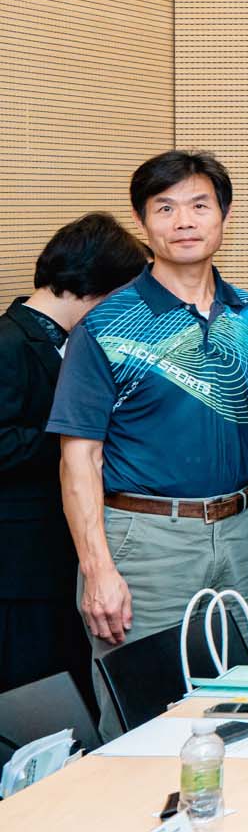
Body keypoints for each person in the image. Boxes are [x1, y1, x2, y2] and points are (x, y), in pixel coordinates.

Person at [48, 151, 248, 739]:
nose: (184, 221)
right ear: (143, 221)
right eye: (166, 208)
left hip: (241, 533)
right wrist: (97, 568)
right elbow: (79, 458)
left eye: (200, 205)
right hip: (144, 543)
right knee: (144, 721)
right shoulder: (107, 324)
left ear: (224, 216)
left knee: (237, 713)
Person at [0, 214, 149, 709]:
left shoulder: (69, 344)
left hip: (57, 559)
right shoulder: (8, 342)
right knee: (33, 701)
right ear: (96, 284)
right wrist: (78, 439)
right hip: (20, 569)